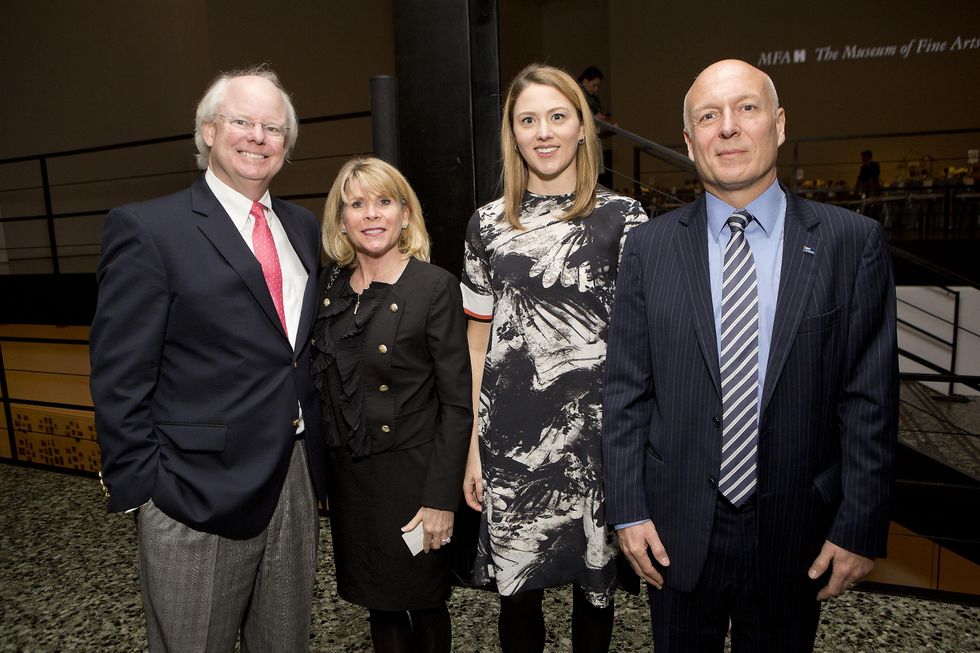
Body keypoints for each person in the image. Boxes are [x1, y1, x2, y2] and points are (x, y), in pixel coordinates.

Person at [603, 59, 898, 652]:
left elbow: (869, 398)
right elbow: (626, 389)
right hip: (673, 530)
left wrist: (860, 526)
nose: (728, 128)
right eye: (708, 117)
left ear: (780, 124)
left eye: (746, 108)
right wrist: (628, 512)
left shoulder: (850, 243)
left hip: (796, 532)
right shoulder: (649, 247)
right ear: (689, 142)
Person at [89, 64, 327, 651]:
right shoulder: (149, 228)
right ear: (208, 132)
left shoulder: (301, 227)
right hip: (193, 491)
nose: (258, 136)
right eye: (241, 121)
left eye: (273, 128)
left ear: (287, 145)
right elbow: (119, 374)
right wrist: (144, 488)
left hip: (292, 480)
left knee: (285, 642)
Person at [461, 63, 648, 653]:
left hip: (597, 444)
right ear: (512, 135)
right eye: (528, 120)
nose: (543, 132)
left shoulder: (627, 221)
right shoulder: (485, 227)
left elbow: (646, 349)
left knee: (596, 601)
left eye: (557, 116)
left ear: (583, 127)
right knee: (518, 607)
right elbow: (476, 344)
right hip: (512, 443)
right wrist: (473, 449)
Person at [313, 157, 472, 653]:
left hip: (414, 481)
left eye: (384, 202)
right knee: (379, 602)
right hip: (355, 483)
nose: (371, 215)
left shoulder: (434, 287)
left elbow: (457, 404)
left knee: (424, 602)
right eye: (356, 204)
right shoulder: (328, 288)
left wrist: (440, 499)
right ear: (341, 220)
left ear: (406, 214)